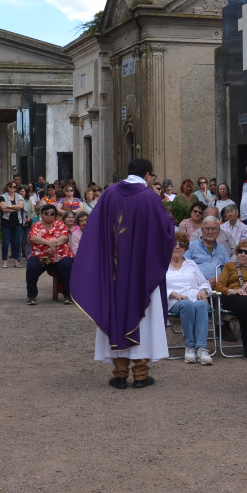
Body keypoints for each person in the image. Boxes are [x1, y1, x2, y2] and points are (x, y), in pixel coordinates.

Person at [71, 158, 175, 389]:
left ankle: (119, 374)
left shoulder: (108, 194)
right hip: (141, 274)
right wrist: (169, 222)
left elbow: (94, 230)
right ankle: (140, 375)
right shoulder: (150, 197)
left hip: (114, 274)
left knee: (115, 313)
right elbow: (165, 234)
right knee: (143, 318)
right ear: (147, 175)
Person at [166, 232, 213, 365]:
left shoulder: (191, 264)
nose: (177, 247)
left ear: (185, 248)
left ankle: (202, 349)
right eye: (174, 244)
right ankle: (190, 347)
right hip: (174, 302)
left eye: (181, 244)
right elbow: (157, 287)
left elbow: (204, 283)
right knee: (187, 304)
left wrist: (203, 291)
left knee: (201, 304)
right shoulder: (162, 265)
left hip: (195, 299)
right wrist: (173, 293)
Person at [26, 205, 73, 305]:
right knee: (31, 265)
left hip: (59, 256)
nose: (49, 215)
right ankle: (31, 296)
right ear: (41, 214)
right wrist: (48, 243)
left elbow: (64, 237)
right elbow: (33, 238)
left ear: (55, 216)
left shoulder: (60, 224)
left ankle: (67, 295)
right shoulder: (36, 225)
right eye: (46, 213)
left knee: (68, 264)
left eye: (52, 213)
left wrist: (53, 246)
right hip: (40, 256)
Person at [186, 216, 229, 289]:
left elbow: (229, 270)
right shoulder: (191, 247)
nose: (210, 232)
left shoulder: (222, 249)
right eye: (207, 228)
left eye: (214, 229)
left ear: (218, 231)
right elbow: (184, 268)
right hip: (196, 288)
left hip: (218, 289)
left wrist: (218, 279)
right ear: (202, 230)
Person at [0, 181, 23, 268]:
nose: (12, 188)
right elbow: (3, 208)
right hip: (6, 222)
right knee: (5, 242)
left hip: (17, 222)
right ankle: (5, 262)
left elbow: (21, 206)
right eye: (10, 186)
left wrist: (9, 206)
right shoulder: (2, 196)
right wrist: (15, 208)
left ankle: (16, 261)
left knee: (17, 242)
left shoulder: (19, 196)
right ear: (7, 187)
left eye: (14, 186)